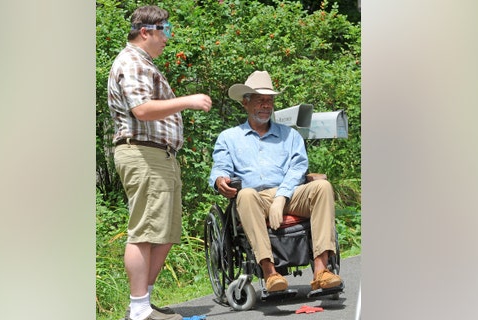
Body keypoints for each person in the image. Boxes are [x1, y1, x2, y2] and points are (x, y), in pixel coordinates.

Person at [107, 6, 212, 320]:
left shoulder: (144, 63)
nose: (168, 38)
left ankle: (144, 304)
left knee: (164, 232)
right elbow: (141, 110)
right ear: (146, 31)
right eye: (164, 30)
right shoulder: (132, 61)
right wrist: (188, 101)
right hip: (143, 154)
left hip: (160, 155)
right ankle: (139, 310)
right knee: (144, 231)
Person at [208, 70, 342, 293]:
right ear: (245, 103)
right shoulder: (229, 137)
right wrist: (220, 179)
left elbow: (299, 167)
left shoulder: (289, 136)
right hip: (255, 199)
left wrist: (282, 195)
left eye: (269, 101)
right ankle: (270, 273)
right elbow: (220, 167)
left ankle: (321, 271)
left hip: (290, 194)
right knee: (246, 193)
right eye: (260, 100)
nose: (266, 105)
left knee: (323, 187)